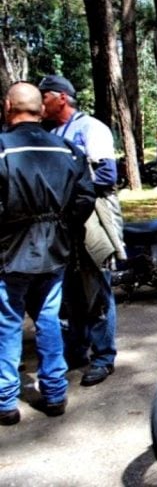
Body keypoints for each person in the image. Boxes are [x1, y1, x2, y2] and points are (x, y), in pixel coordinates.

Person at [0, 82, 96, 425]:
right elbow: (86, 197)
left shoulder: (2, 147)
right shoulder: (67, 149)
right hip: (54, 248)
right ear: (41, 109)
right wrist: (63, 226)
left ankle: (6, 400)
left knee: (8, 322)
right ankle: (55, 393)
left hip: (10, 251)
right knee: (48, 319)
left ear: (8, 105)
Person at [40, 74, 125, 386]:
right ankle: (77, 349)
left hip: (94, 217)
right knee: (72, 289)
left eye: (44, 95)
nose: (40, 101)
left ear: (61, 97)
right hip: (66, 220)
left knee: (97, 287)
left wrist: (64, 190)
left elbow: (106, 175)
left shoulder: (90, 128)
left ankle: (104, 357)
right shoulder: (52, 131)